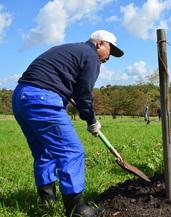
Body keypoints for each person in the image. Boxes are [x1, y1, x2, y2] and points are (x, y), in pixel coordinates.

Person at [12, 30, 124, 216]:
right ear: (99, 44)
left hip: (21, 97)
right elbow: (84, 96)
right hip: (42, 98)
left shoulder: (72, 49)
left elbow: (64, 83)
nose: (109, 57)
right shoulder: (91, 56)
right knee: (72, 152)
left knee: (44, 152)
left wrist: (68, 94)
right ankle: (77, 209)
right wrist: (92, 121)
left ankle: (47, 204)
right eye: (110, 50)